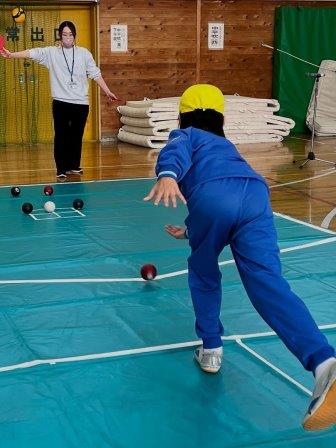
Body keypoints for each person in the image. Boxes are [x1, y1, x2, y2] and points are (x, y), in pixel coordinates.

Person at [144, 84, 336, 431]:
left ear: (183, 115)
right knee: (269, 283)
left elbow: (181, 157)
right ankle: (324, 362)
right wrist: (190, 229)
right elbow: (228, 186)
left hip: (214, 200)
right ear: (220, 117)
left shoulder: (185, 134)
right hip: (256, 195)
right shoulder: (225, 145)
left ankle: (212, 350)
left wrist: (168, 174)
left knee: (203, 273)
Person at [0, 21, 118, 179]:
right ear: (60, 36)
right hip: (61, 103)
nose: (67, 37)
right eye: (64, 34)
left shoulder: (84, 53)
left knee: (76, 136)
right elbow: (32, 52)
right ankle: (61, 168)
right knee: (61, 136)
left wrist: (108, 91)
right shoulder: (51, 53)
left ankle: (73, 166)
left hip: (81, 103)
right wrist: (11, 55)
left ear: (75, 36)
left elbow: (95, 74)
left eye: (70, 34)